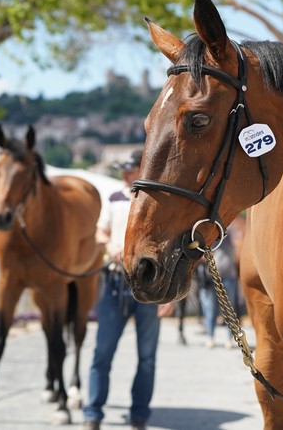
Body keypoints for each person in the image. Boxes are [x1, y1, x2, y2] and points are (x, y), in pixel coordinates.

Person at [83, 149, 169, 430]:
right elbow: (101, 232)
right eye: (123, 170)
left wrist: (168, 296)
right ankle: (93, 413)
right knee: (102, 352)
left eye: (129, 170)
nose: (124, 174)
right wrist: (110, 248)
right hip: (115, 281)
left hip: (148, 283)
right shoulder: (115, 198)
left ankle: (139, 415)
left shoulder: (157, 200)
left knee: (147, 357)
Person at [195, 221, 240, 349]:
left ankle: (230, 338)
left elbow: (236, 240)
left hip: (228, 277)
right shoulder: (209, 231)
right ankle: (210, 336)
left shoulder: (230, 229)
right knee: (210, 309)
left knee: (229, 310)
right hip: (211, 278)